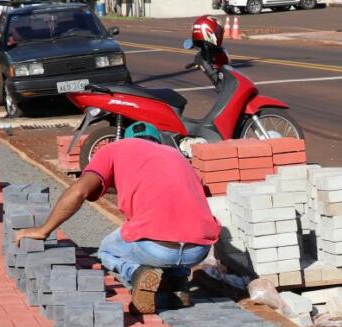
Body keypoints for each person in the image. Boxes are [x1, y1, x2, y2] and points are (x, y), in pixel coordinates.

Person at [14, 123, 220, 314]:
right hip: (198, 250)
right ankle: (178, 284)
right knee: (176, 229)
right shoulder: (175, 155)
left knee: (108, 249)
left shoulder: (114, 149)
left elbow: (79, 192)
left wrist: (44, 230)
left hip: (156, 249)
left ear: (126, 139)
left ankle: (137, 273)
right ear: (156, 141)